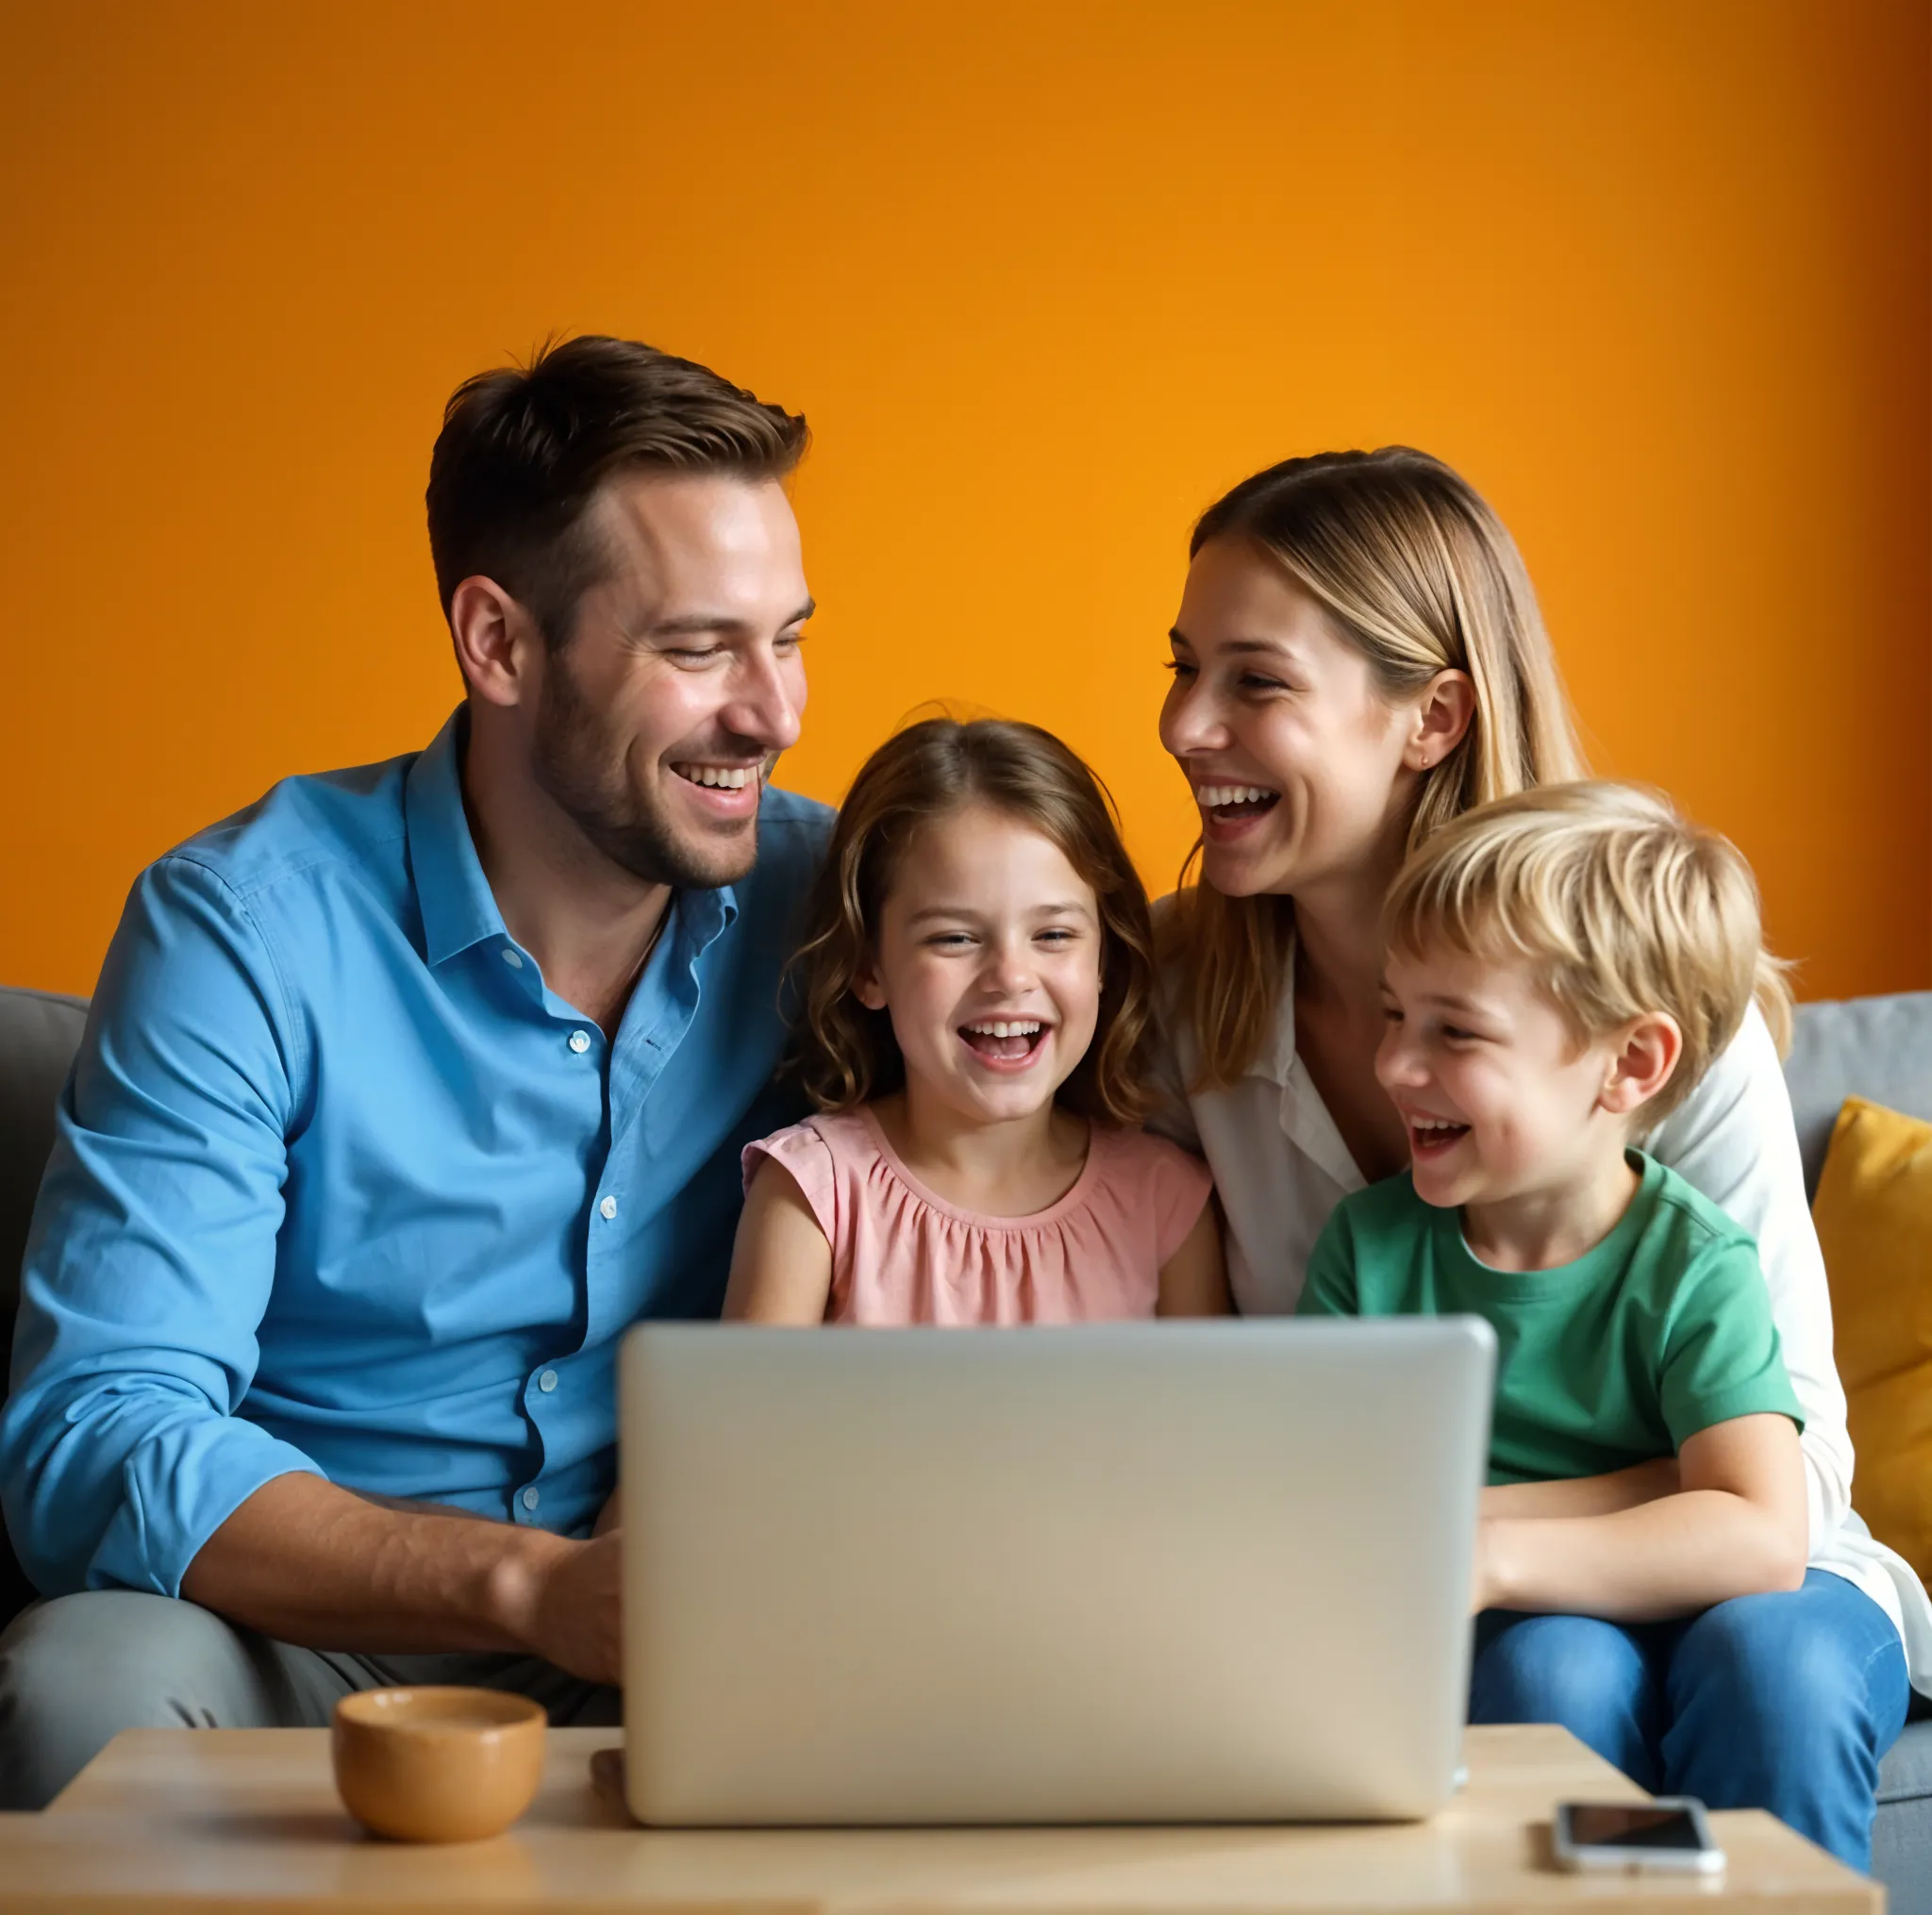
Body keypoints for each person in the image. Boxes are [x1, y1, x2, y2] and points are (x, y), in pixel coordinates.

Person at [0, 335, 833, 1807]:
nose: (773, 711)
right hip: (325, 1638)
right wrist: (526, 1589)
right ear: (499, 643)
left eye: (791, 636)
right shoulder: (241, 929)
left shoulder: (838, 901)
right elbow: (97, 1434)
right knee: (85, 1681)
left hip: (733, 1627)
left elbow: (1100, 1023)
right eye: (700, 650)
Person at [1154, 446, 1924, 1870]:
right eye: (1183, 666)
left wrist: (1465, 1526)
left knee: (1776, 1667)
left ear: (1432, 715)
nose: (1184, 724)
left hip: (1737, 1585)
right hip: (1460, 1609)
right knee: (1551, 1680)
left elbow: (1788, 1486)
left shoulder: (1654, 1003)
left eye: (1254, 681)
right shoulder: (1172, 1013)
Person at [1301, 782, 1819, 1792]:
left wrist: (1487, 1546)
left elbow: (1759, 1529)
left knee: (1782, 1674)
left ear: (1628, 1061)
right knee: (1556, 1669)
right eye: (1394, 1013)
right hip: (1509, 1642)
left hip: (1665, 1607)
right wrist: (1650, 1488)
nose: (1394, 1063)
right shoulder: (1364, 1249)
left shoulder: (1692, 1261)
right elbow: (1332, 1507)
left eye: (1453, 1031)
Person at [724, 717, 1226, 1325]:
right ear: (868, 968)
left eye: (1053, 934)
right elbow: (747, 1421)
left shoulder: (1168, 1204)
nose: (1010, 977)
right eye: (955, 937)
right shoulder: (814, 1193)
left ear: (1105, 959)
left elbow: (1202, 1421)